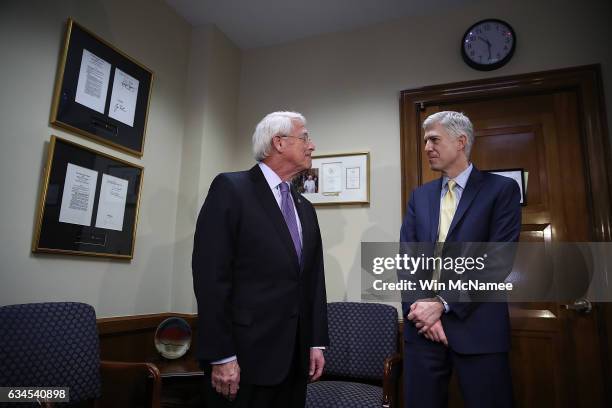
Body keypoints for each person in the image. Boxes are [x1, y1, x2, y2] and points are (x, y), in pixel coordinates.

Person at [192, 111, 329, 408]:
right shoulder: (231, 189)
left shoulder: (305, 207)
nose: (312, 145)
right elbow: (211, 278)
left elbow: (313, 280)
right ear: (279, 143)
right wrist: (222, 355)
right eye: (305, 137)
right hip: (244, 358)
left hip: (295, 360)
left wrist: (316, 341)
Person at [400, 111, 521, 408]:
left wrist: (441, 303)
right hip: (422, 331)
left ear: (461, 141)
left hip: (479, 329)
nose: (427, 147)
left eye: (434, 139)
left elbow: (498, 261)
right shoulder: (421, 196)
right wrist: (424, 312)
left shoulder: (501, 190)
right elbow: (407, 258)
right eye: (425, 140)